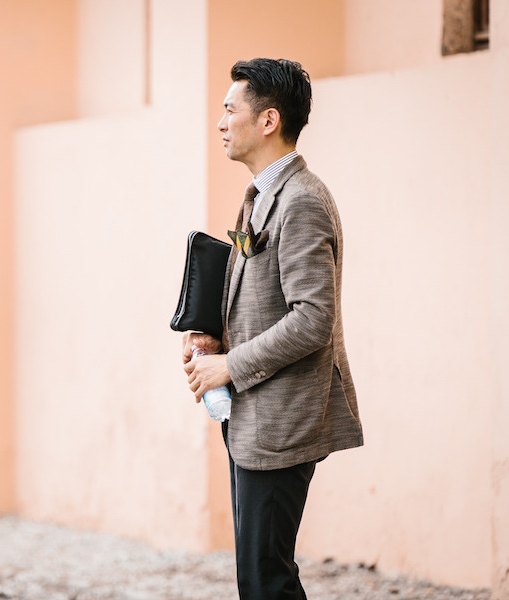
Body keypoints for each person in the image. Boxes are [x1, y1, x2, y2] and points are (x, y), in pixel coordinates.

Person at [182, 59, 364, 599]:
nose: (220, 122)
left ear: (267, 120)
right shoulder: (261, 195)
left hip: (282, 419)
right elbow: (262, 297)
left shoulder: (302, 200)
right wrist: (215, 338)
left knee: (267, 579)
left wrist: (228, 365)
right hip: (255, 416)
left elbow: (313, 318)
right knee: (258, 575)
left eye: (229, 109)